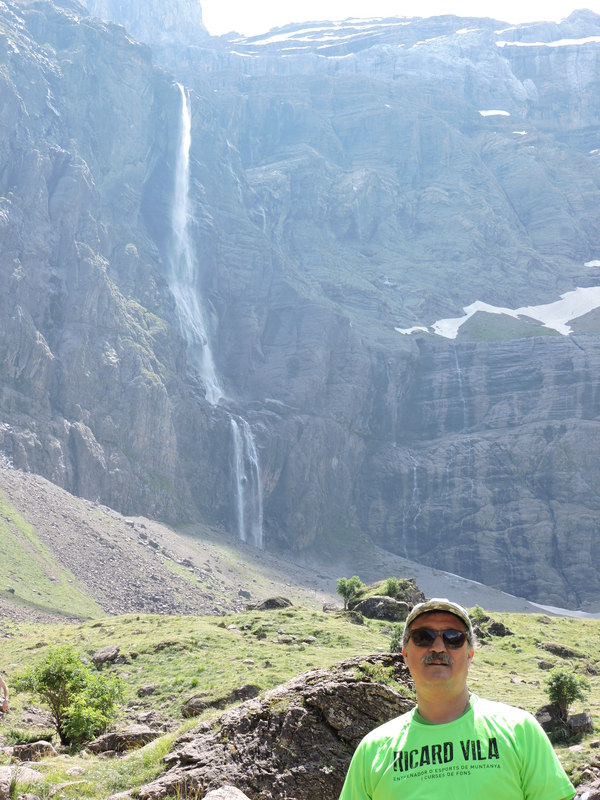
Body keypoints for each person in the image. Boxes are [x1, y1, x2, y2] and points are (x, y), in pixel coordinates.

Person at [339, 597, 575, 800]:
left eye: (453, 638)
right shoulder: (372, 750)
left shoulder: (520, 730)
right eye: (423, 637)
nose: (438, 647)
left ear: (470, 653)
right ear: (405, 654)